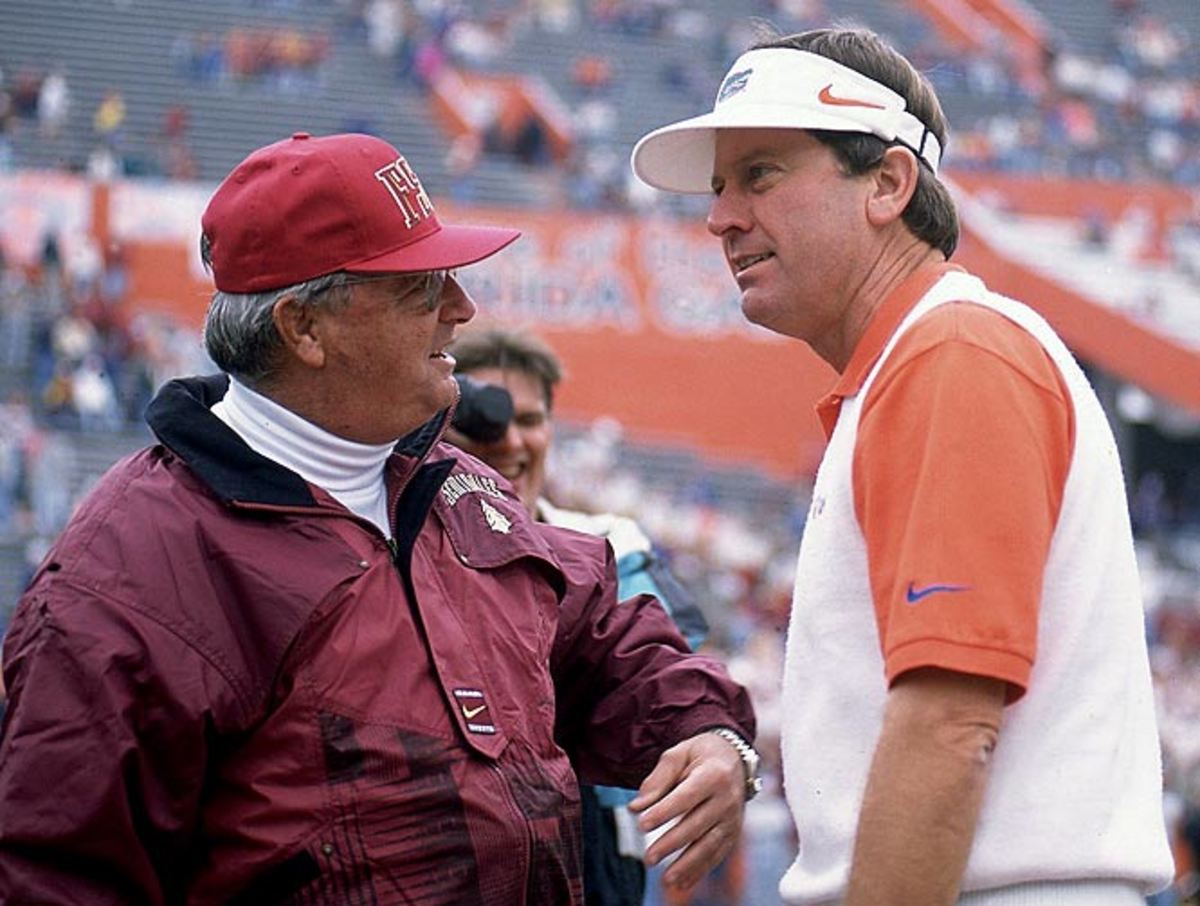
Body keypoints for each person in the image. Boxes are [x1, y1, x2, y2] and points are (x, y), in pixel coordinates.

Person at [0, 131, 759, 904]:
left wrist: (704, 728)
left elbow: (603, 635)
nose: (462, 309)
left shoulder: (459, 490)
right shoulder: (132, 571)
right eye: (421, 289)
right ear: (305, 329)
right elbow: (57, 875)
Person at [631, 27, 1174, 906]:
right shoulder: (924, 357)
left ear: (888, 183)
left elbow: (949, 726)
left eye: (761, 174)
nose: (719, 216)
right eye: (720, 186)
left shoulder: (951, 352)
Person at [444, 328, 715, 905]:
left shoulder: (609, 542)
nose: (511, 440)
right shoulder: (415, 543)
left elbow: (657, 664)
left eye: (531, 419)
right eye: (486, 420)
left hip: (591, 851)